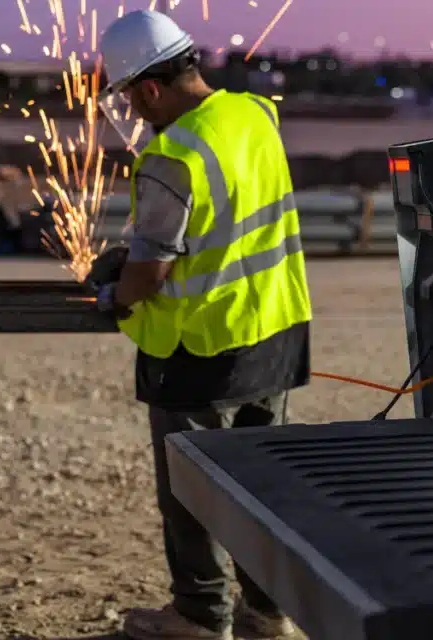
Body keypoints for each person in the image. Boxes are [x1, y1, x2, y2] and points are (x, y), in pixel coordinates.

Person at [92, 10, 312, 640]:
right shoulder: (254, 114)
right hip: (273, 330)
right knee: (259, 485)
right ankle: (266, 614)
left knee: (192, 492)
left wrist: (115, 293)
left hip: (199, 350)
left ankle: (198, 615)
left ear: (150, 89)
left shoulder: (171, 155)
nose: (134, 113)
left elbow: (150, 274)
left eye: (130, 100)